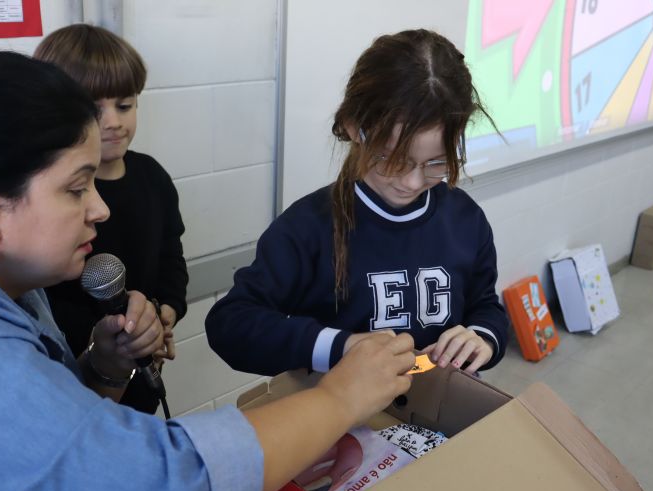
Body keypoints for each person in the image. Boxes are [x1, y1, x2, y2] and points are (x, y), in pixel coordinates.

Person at [0, 51, 417, 491]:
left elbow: (44, 445)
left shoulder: (5, 279)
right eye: (76, 188)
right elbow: (156, 489)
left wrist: (103, 369)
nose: (100, 208)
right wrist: (339, 397)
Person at [206, 29, 509, 377]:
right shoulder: (308, 227)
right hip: (343, 407)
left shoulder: (465, 218)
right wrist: (343, 347)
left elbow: (485, 306)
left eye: (436, 163)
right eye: (394, 159)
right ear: (354, 128)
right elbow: (231, 323)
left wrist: (481, 338)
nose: (412, 182)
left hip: (441, 402)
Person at [34, 24, 187, 414]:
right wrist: (117, 340)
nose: (113, 122)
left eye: (124, 105)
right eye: (94, 109)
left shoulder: (152, 176)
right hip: (78, 381)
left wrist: (163, 314)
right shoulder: (47, 201)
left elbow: (171, 257)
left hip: (141, 374)